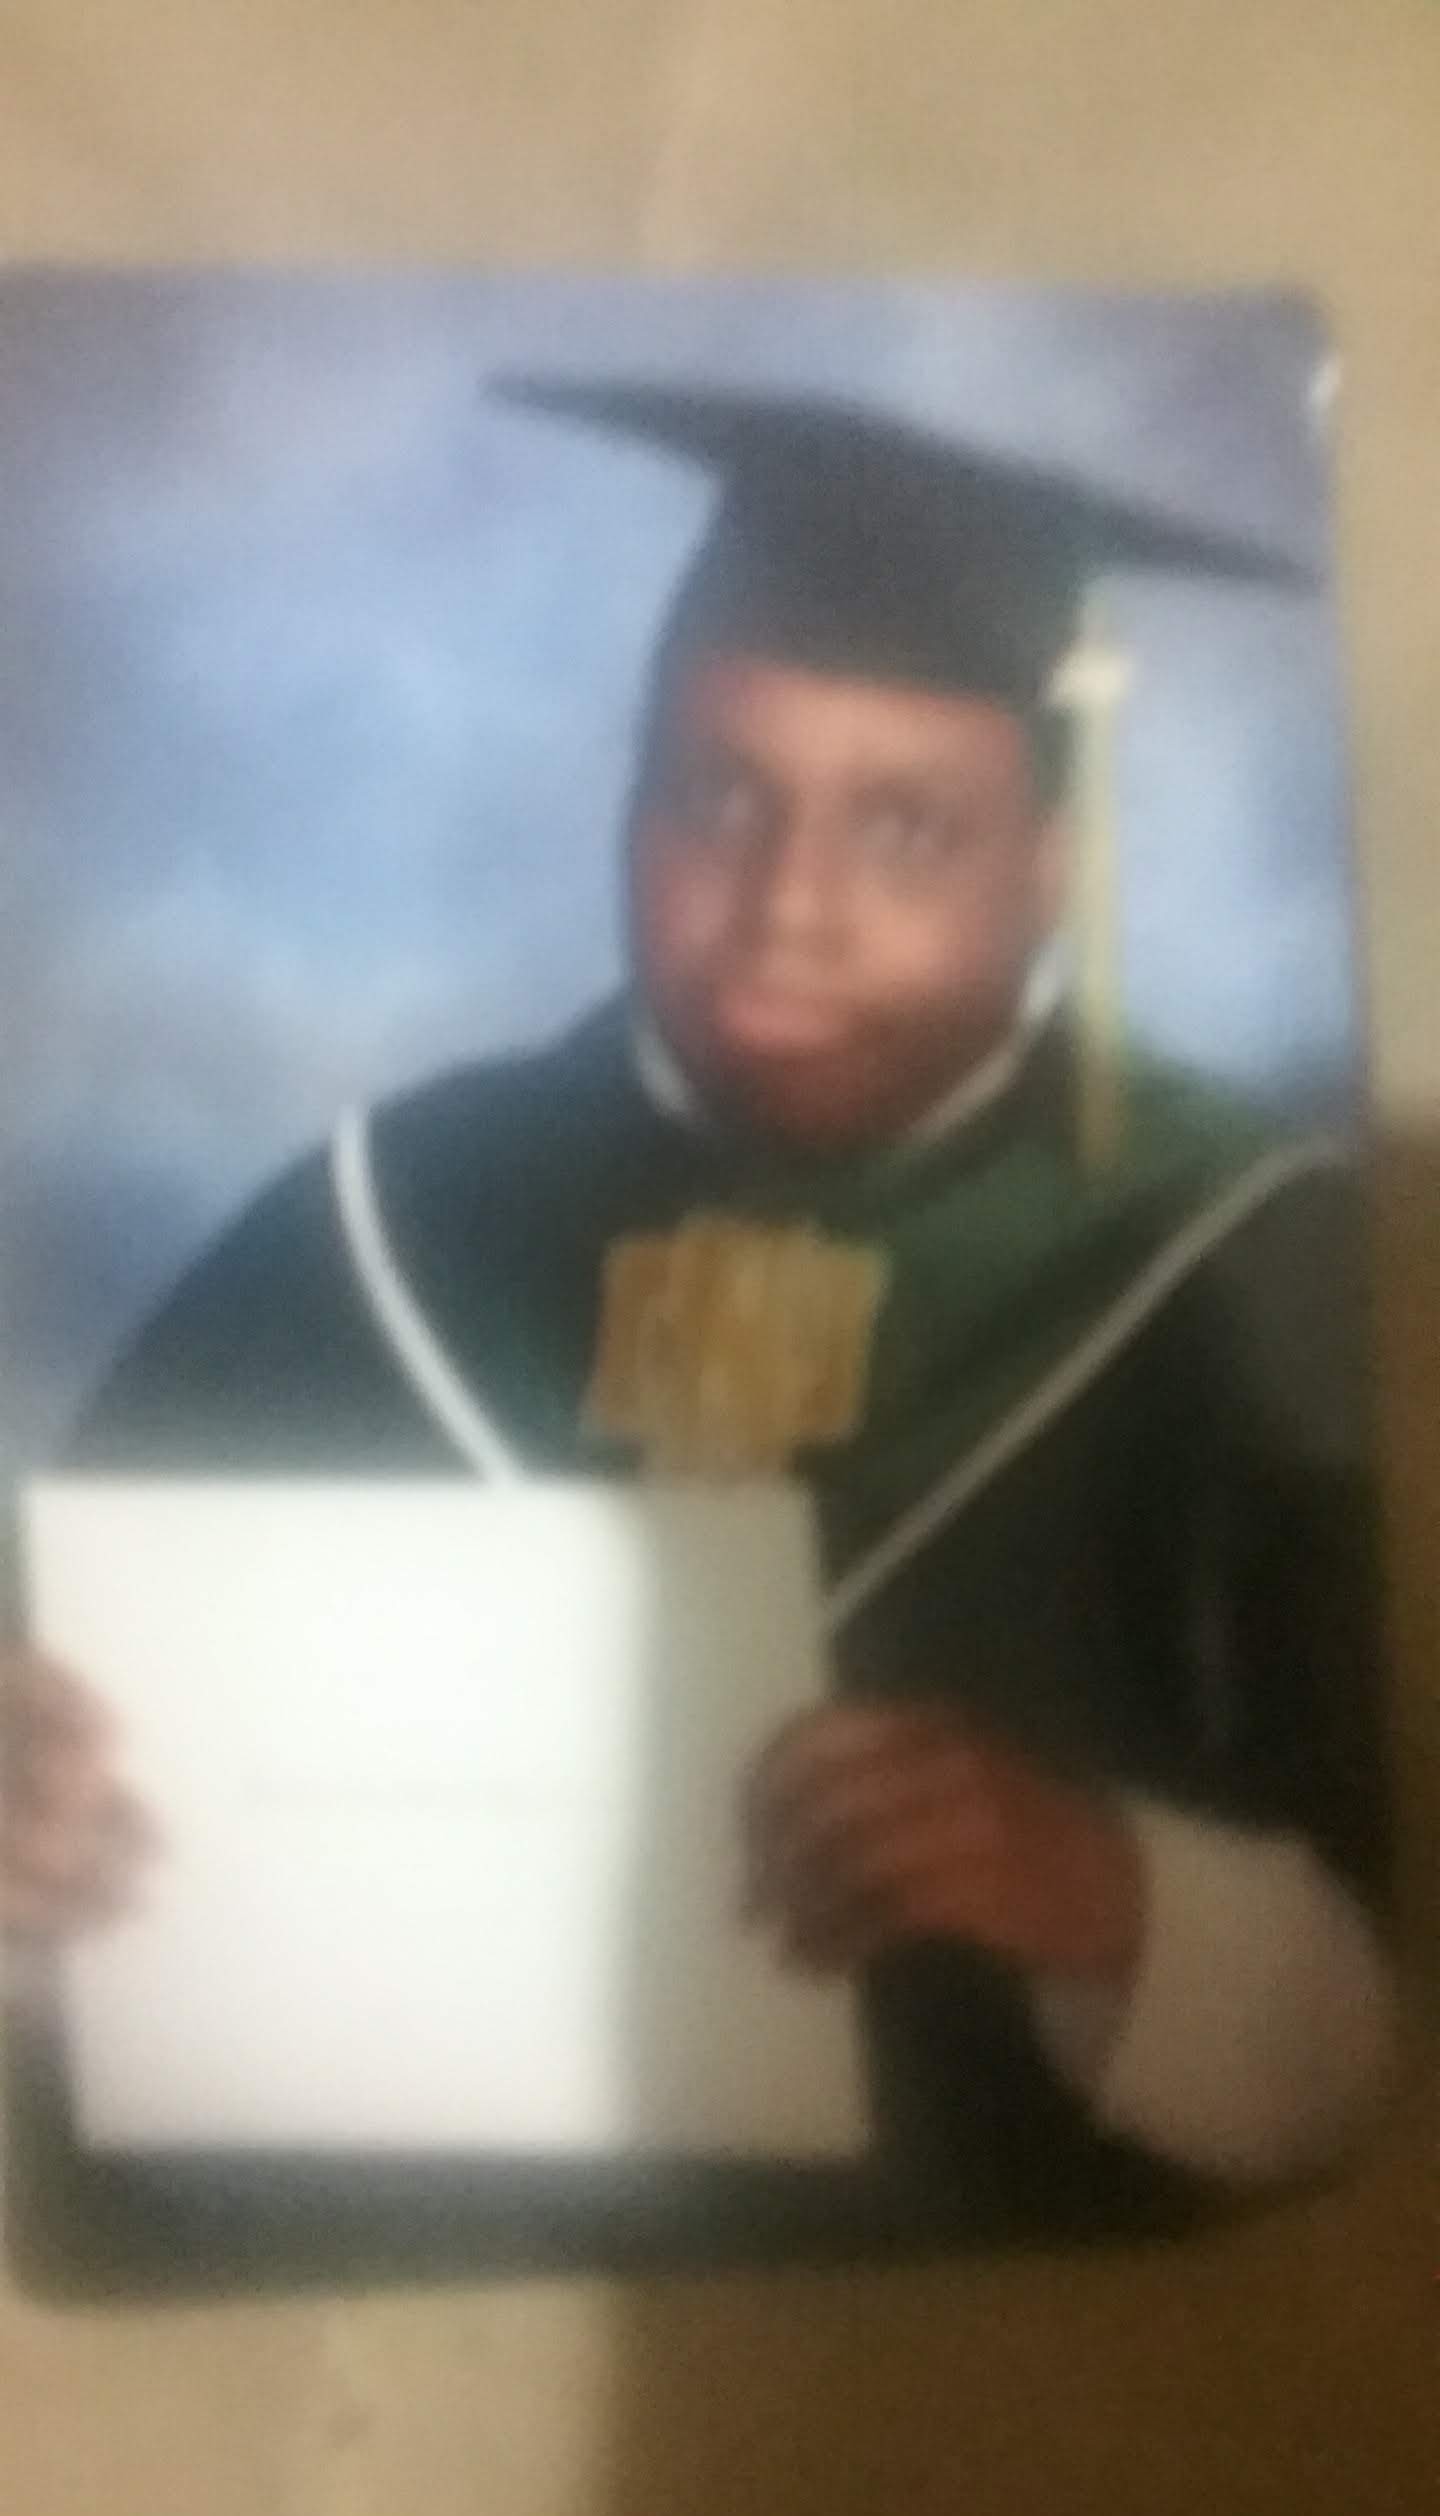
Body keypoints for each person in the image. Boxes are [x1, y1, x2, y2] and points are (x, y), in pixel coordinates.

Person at [1, 381, 1397, 2272]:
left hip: (992, 2378)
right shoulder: (383, 1222)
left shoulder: (1250, 1265)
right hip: (388, 2330)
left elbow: (1380, 2071)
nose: (783, 910)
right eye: (714, 795)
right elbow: (75, 1883)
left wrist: (1118, 1904)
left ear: (1055, 872)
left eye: (906, 829)